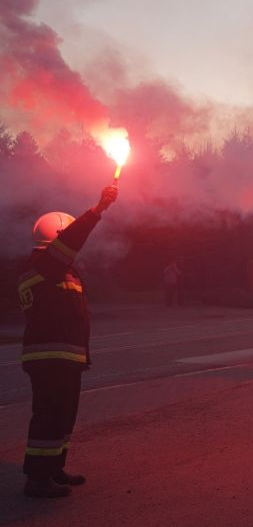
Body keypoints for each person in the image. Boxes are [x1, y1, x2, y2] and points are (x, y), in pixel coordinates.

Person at [17, 186, 118, 498]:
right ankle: (37, 479)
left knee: (63, 415)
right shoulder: (46, 266)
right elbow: (72, 240)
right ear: (56, 239)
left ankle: (54, 467)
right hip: (52, 358)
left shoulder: (51, 270)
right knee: (49, 415)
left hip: (64, 357)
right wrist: (98, 208)